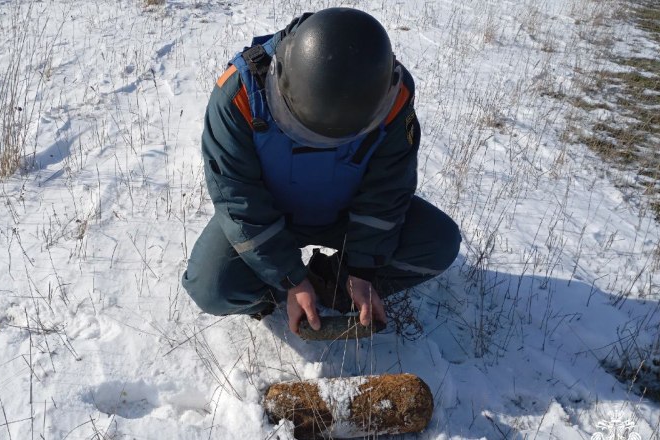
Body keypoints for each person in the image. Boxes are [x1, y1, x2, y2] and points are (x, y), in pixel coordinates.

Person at [182, 8, 461, 335]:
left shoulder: (391, 95)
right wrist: (290, 279)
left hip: (346, 215)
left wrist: (362, 269)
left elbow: (387, 191)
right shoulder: (238, 95)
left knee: (439, 243)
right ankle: (281, 295)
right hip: (273, 215)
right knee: (211, 288)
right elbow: (239, 202)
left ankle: (334, 280)